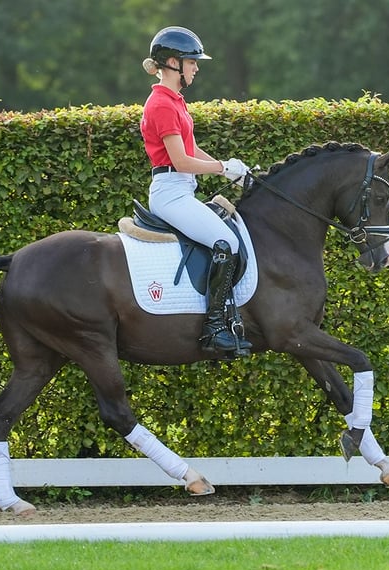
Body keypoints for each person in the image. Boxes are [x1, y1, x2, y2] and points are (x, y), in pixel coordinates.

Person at [140, 26, 252, 355]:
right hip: (170, 193)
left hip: (181, 190)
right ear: (173, 63)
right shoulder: (161, 104)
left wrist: (229, 166)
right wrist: (221, 168)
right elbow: (180, 161)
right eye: (192, 62)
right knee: (226, 242)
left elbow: (192, 150)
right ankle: (214, 328)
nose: (196, 68)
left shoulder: (175, 101)